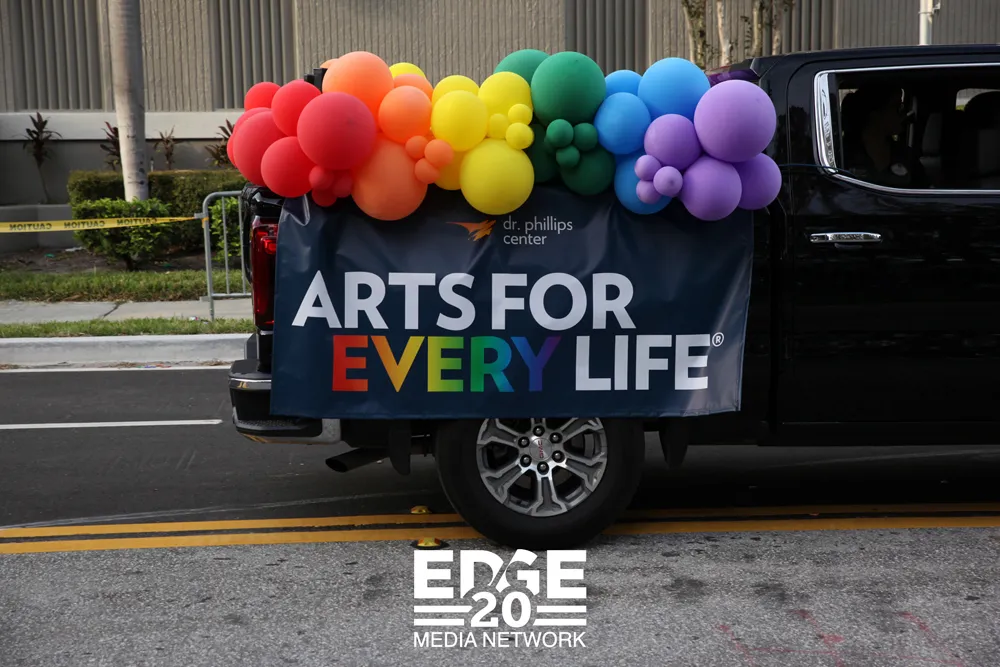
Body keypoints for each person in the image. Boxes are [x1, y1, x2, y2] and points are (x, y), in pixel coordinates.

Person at [842, 86, 922, 187]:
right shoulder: (841, 155)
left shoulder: (905, 154)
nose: (904, 113)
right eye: (897, 107)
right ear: (874, 115)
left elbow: (925, 190)